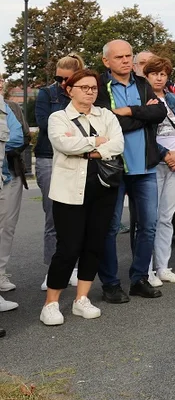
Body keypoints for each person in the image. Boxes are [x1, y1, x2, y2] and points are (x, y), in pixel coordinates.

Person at [39, 69, 124, 326]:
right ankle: (51, 303)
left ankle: (81, 299)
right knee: (68, 248)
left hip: (104, 188)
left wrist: (86, 148)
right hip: (69, 191)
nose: (90, 91)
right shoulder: (58, 118)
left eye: (93, 88)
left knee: (94, 244)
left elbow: (118, 144)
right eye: (84, 87)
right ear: (70, 90)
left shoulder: (106, 114)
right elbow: (64, 145)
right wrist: (98, 142)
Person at [96, 39, 168, 304]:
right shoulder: (100, 87)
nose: (126, 61)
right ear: (107, 61)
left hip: (146, 167)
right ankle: (111, 284)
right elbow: (105, 122)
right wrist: (141, 115)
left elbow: (159, 112)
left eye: (129, 56)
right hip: (114, 168)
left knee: (148, 226)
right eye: (119, 57)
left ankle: (139, 279)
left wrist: (126, 111)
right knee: (110, 228)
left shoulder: (142, 83)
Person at [34, 54, 85, 291]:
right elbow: (45, 124)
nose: (61, 83)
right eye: (58, 78)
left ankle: (73, 268)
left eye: (66, 79)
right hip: (48, 157)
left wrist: (70, 136)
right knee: (53, 217)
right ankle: (52, 270)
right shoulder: (47, 94)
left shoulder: (85, 93)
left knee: (77, 216)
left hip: (79, 159)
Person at [143, 55, 175, 286]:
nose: (159, 78)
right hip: (155, 162)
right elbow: (144, 134)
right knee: (150, 218)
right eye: (154, 73)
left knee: (166, 216)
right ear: (147, 76)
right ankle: (146, 269)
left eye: (163, 74)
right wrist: (166, 154)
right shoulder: (143, 99)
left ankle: (163, 266)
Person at [0, 95, 27, 315]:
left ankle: (0, 273)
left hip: (9, 172)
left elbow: (19, 137)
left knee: (6, 227)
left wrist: (3, 141)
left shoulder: (9, 107)